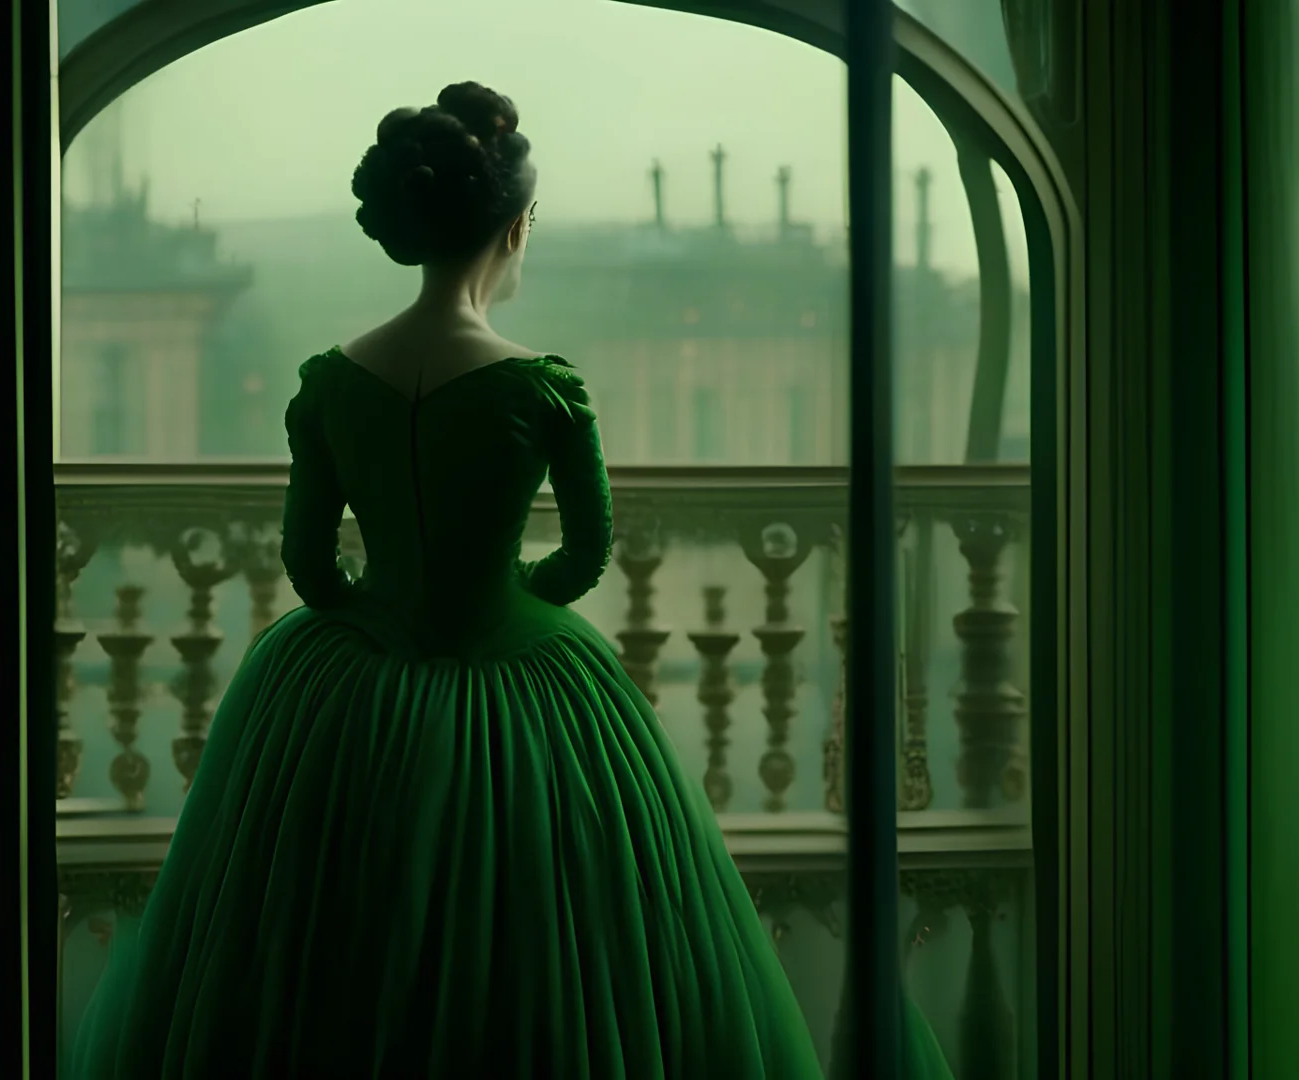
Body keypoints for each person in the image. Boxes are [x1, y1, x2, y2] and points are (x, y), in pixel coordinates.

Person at [70, 81, 952, 1079]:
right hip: (520, 663)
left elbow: (312, 569)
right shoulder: (544, 389)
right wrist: (502, 590)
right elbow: (582, 556)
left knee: (317, 948)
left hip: (345, 678)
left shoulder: (328, 384)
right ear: (514, 228)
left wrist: (385, 603)